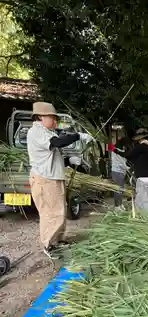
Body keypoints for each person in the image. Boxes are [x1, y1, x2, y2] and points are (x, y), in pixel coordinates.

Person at [27, 102, 93, 259]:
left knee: (59, 211)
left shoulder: (46, 131)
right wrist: (78, 136)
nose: (55, 122)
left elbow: (51, 157)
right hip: (45, 180)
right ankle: (48, 245)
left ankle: (57, 240)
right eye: (52, 118)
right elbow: (57, 143)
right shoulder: (36, 131)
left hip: (52, 177)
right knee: (51, 214)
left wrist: (69, 160)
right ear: (41, 117)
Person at [108, 128, 148, 215]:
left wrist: (115, 150)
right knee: (139, 201)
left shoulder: (141, 147)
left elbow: (128, 155)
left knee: (144, 203)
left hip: (144, 179)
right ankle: (141, 218)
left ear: (140, 139)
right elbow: (134, 160)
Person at [108, 134, 130, 208]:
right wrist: (129, 169)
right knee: (118, 189)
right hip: (118, 172)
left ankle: (119, 204)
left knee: (119, 189)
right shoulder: (117, 151)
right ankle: (118, 206)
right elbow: (122, 163)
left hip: (118, 171)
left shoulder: (117, 150)